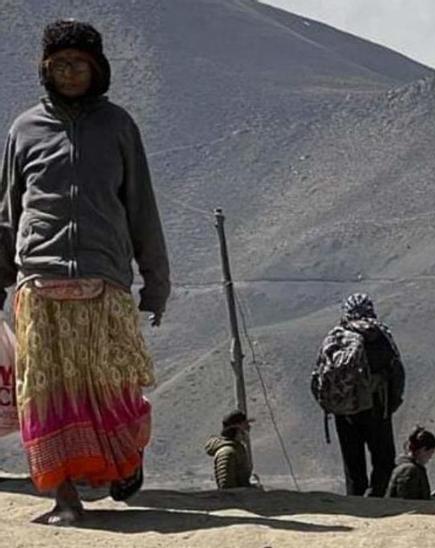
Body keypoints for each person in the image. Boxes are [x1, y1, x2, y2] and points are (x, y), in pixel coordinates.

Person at [0, 19, 170, 525]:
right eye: (60, 65)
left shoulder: (118, 126)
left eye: (79, 64)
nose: (69, 72)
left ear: (98, 70)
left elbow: (141, 207)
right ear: (45, 70)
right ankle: (65, 498)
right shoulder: (25, 129)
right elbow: (8, 211)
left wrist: (155, 283)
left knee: (113, 388)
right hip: (40, 281)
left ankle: (123, 462)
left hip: (104, 280)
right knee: (47, 396)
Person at [324, 293, 405, 497]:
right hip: (376, 407)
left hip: (343, 410)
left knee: (353, 464)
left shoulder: (336, 337)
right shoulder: (379, 335)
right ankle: (377, 498)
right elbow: (397, 372)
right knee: (383, 459)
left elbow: (320, 373)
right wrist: (392, 404)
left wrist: (332, 404)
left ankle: (356, 503)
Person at [205, 410, 255, 489]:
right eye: (245, 427)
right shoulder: (226, 452)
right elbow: (227, 489)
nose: (247, 430)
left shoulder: (237, 450)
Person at [386, 425, 435, 500]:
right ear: (423, 450)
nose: (430, 457)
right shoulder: (410, 471)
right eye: (430, 453)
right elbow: (407, 501)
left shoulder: (407, 467)